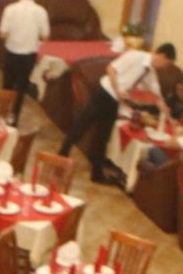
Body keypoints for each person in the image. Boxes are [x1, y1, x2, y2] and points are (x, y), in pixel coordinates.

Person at [60, 42, 176, 185]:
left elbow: (157, 95)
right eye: (167, 63)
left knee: (103, 136)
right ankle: (62, 154)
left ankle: (96, 174)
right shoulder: (135, 56)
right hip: (105, 93)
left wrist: (168, 115)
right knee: (82, 124)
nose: (165, 67)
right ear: (161, 55)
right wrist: (118, 91)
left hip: (115, 101)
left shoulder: (150, 72)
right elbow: (111, 68)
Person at [0, 0, 50, 126]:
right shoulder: (41, 12)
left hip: (11, 52)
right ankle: (13, 120)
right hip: (28, 55)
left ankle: (2, 115)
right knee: (21, 88)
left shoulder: (10, 9)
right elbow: (45, 36)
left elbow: (2, 34)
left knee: (7, 85)